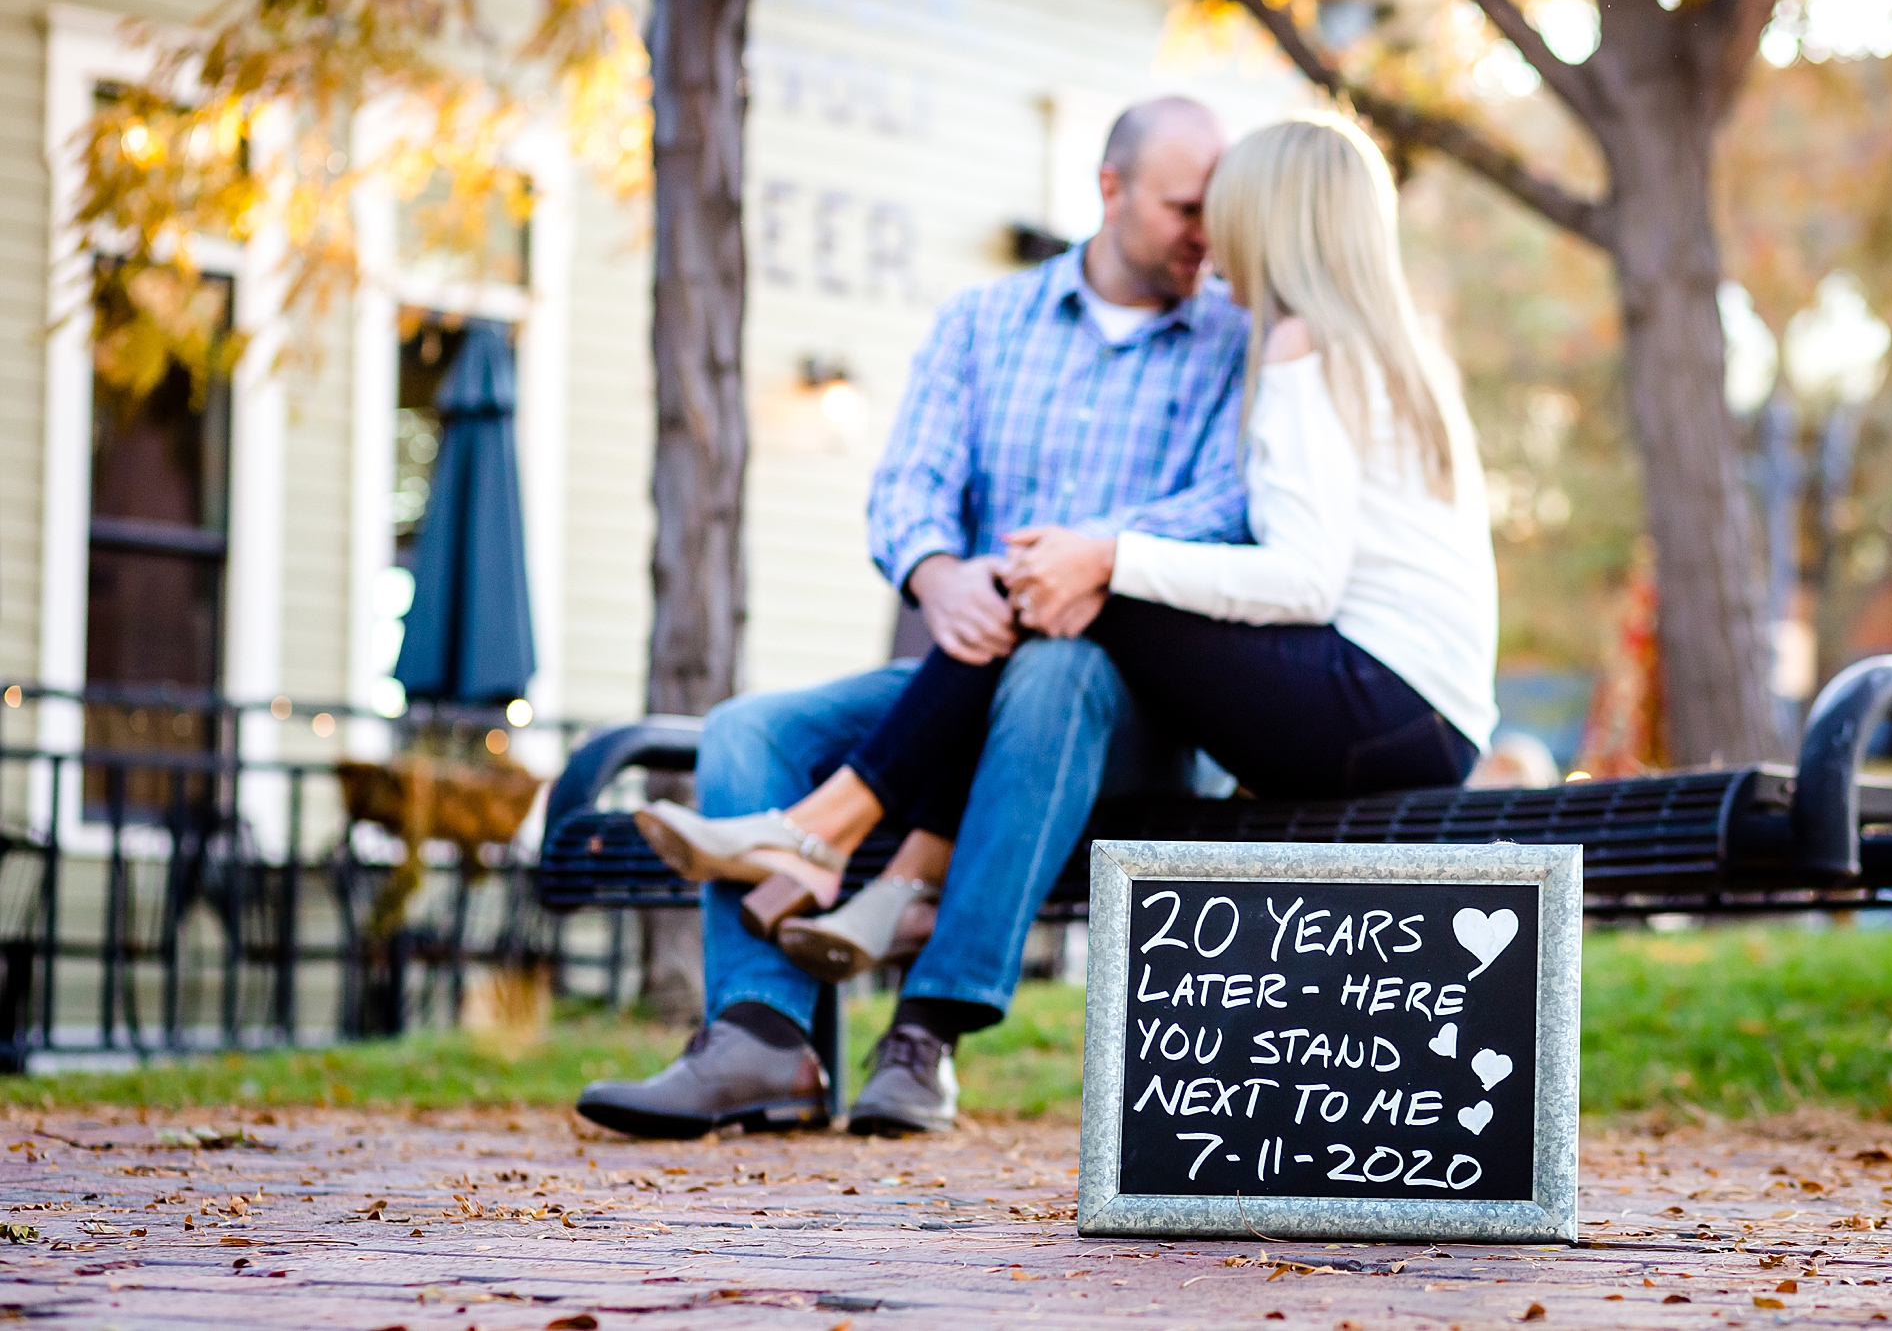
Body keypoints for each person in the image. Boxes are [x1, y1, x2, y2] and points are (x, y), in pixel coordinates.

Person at [588, 112, 1502, 1138]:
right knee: (747, 730)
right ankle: (759, 1039)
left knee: (1062, 643)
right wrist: (941, 576)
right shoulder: (985, 321)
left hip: (1132, 699)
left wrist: (1081, 557)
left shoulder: (1249, 342)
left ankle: (906, 1002)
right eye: (1185, 210)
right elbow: (909, 489)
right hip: (991, 652)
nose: (1208, 240)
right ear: (1108, 188)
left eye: (1224, 214)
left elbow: (1251, 529)